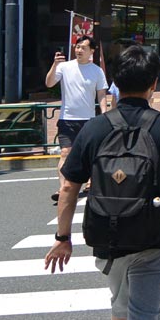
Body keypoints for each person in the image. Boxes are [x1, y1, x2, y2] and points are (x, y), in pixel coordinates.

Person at [45, 45, 160, 320]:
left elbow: (69, 187)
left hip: (108, 234)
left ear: (115, 82)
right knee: (143, 312)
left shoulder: (94, 129)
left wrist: (62, 237)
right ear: (154, 83)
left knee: (120, 305)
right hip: (155, 235)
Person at [45, 35, 109, 202]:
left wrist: (103, 114)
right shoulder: (64, 67)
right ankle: (63, 188)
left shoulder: (97, 71)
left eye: (83, 48)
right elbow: (49, 83)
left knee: (89, 154)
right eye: (77, 47)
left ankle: (90, 182)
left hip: (88, 120)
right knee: (66, 152)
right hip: (67, 118)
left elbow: (101, 94)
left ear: (91, 51)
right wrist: (55, 64)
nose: (79, 50)